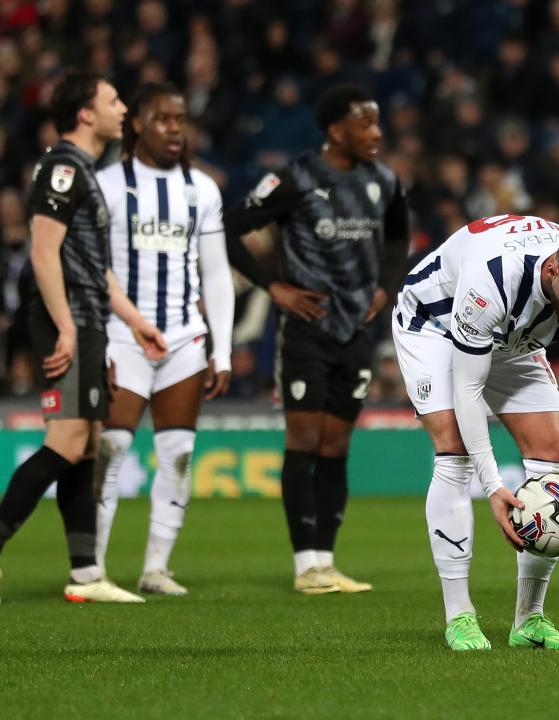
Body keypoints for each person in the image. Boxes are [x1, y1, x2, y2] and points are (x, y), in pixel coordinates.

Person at [393, 216, 559, 651]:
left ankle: (529, 620)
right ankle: (460, 616)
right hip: (437, 323)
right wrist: (494, 485)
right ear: (553, 269)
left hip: (514, 337)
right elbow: (468, 389)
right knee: (454, 448)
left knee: (554, 452)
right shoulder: (493, 278)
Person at [224, 84, 409, 594]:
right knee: (303, 441)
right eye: (365, 124)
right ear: (335, 130)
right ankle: (305, 564)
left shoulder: (384, 180)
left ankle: (326, 561)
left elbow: (398, 238)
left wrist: (385, 287)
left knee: (336, 444)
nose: (377, 133)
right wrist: (273, 287)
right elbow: (230, 225)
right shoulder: (295, 177)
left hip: (357, 331)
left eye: (377, 122)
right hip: (307, 329)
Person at [0, 70, 166, 603]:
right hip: (65, 319)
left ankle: (85, 574)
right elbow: (43, 252)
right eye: (113, 100)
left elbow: (95, 267)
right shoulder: (63, 168)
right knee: (67, 440)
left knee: (87, 445)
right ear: (85, 114)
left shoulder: (88, 171)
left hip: (88, 317)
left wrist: (136, 323)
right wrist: (68, 328)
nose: (123, 108)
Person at [93, 82, 234, 596]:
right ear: (137, 125)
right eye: (162, 119)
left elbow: (216, 275)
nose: (175, 130)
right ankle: (91, 567)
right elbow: (92, 267)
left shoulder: (203, 189)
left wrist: (220, 348)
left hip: (183, 340)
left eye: (180, 120)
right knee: (110, 449)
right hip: (122, 338)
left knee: (177, 453)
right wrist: (101, 339)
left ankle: (156, 568)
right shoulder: (106, 185)